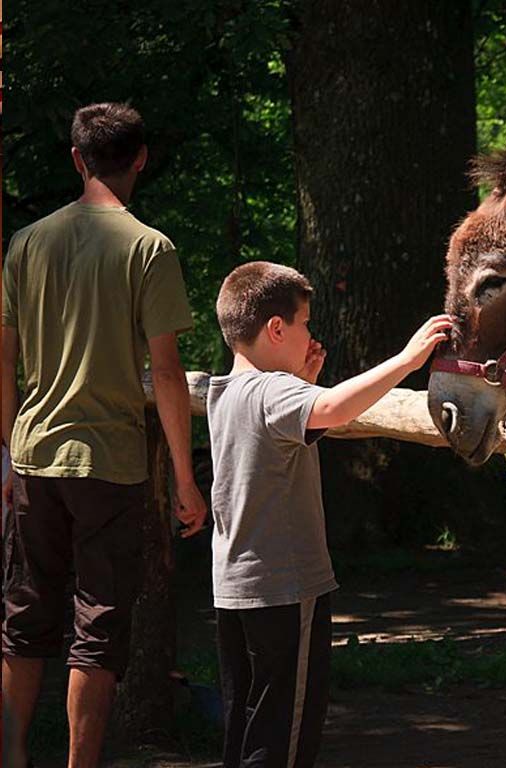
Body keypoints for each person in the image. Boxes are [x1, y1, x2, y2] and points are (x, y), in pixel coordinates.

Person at [1, 102, 207, 767]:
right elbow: (167, 373)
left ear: (77, 158)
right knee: (96, 629)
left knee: (25, 622)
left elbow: (2, 357)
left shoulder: (27, 243)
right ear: (140, 159)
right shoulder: (149, 248)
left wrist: (9, 450)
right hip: (111, 465)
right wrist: (185, 481)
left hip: (33, 456)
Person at [208, 261, 451, 768]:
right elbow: (335, 409)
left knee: (247, 726)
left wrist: (304, 382)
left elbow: (284, 439)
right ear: (276, 329)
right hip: (285, 589)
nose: (310, 334)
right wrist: (407, 360)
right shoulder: (273, 391)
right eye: (305, 324)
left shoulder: (222, 393)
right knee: (284, 739)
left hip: (235, 590)